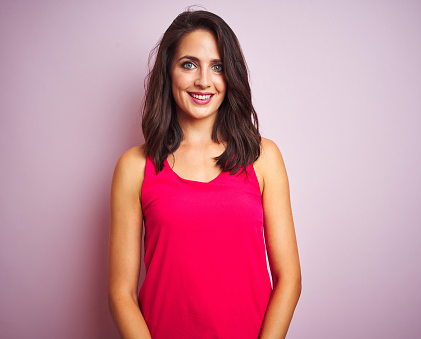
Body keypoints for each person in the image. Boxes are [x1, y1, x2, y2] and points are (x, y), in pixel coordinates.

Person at [108, 9, 301, 339]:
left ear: (231, 77)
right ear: (168, 73)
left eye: (217, 67)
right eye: (188, 64)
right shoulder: (134, 167)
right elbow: (120, 294)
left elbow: (289, 278)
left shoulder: (263, 157)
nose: (203, 80)